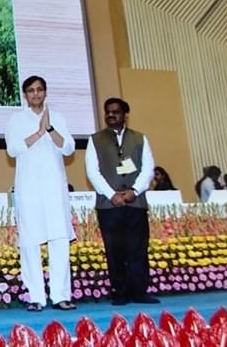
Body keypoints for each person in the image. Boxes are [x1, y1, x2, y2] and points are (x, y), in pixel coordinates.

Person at [3, 76, 77, 312]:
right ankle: (36, 296)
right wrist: (38, 132)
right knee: (30, 243)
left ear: (45, 92)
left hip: (54, 188)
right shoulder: (16, 119)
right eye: (31, 91)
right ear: (25, 95)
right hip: (29, 189)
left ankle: (60, 295)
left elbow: (68, 148)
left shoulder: (59, 118)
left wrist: (50, 129)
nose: (36, 94)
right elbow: (13, 149)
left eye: (40, 90)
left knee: (59, 241)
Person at [85, 97, 160, 305]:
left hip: (135, 202)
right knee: (114, 249)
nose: (111, 115)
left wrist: (134, 191)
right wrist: (112, 195)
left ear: (125, 115)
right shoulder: (95, 140)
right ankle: (119, 292)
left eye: (115, 112)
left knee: (137, 248)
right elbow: (92, 171)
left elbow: (148, 168)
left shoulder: (140, 138)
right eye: (107, 112)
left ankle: (139, 291)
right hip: (109, 205)